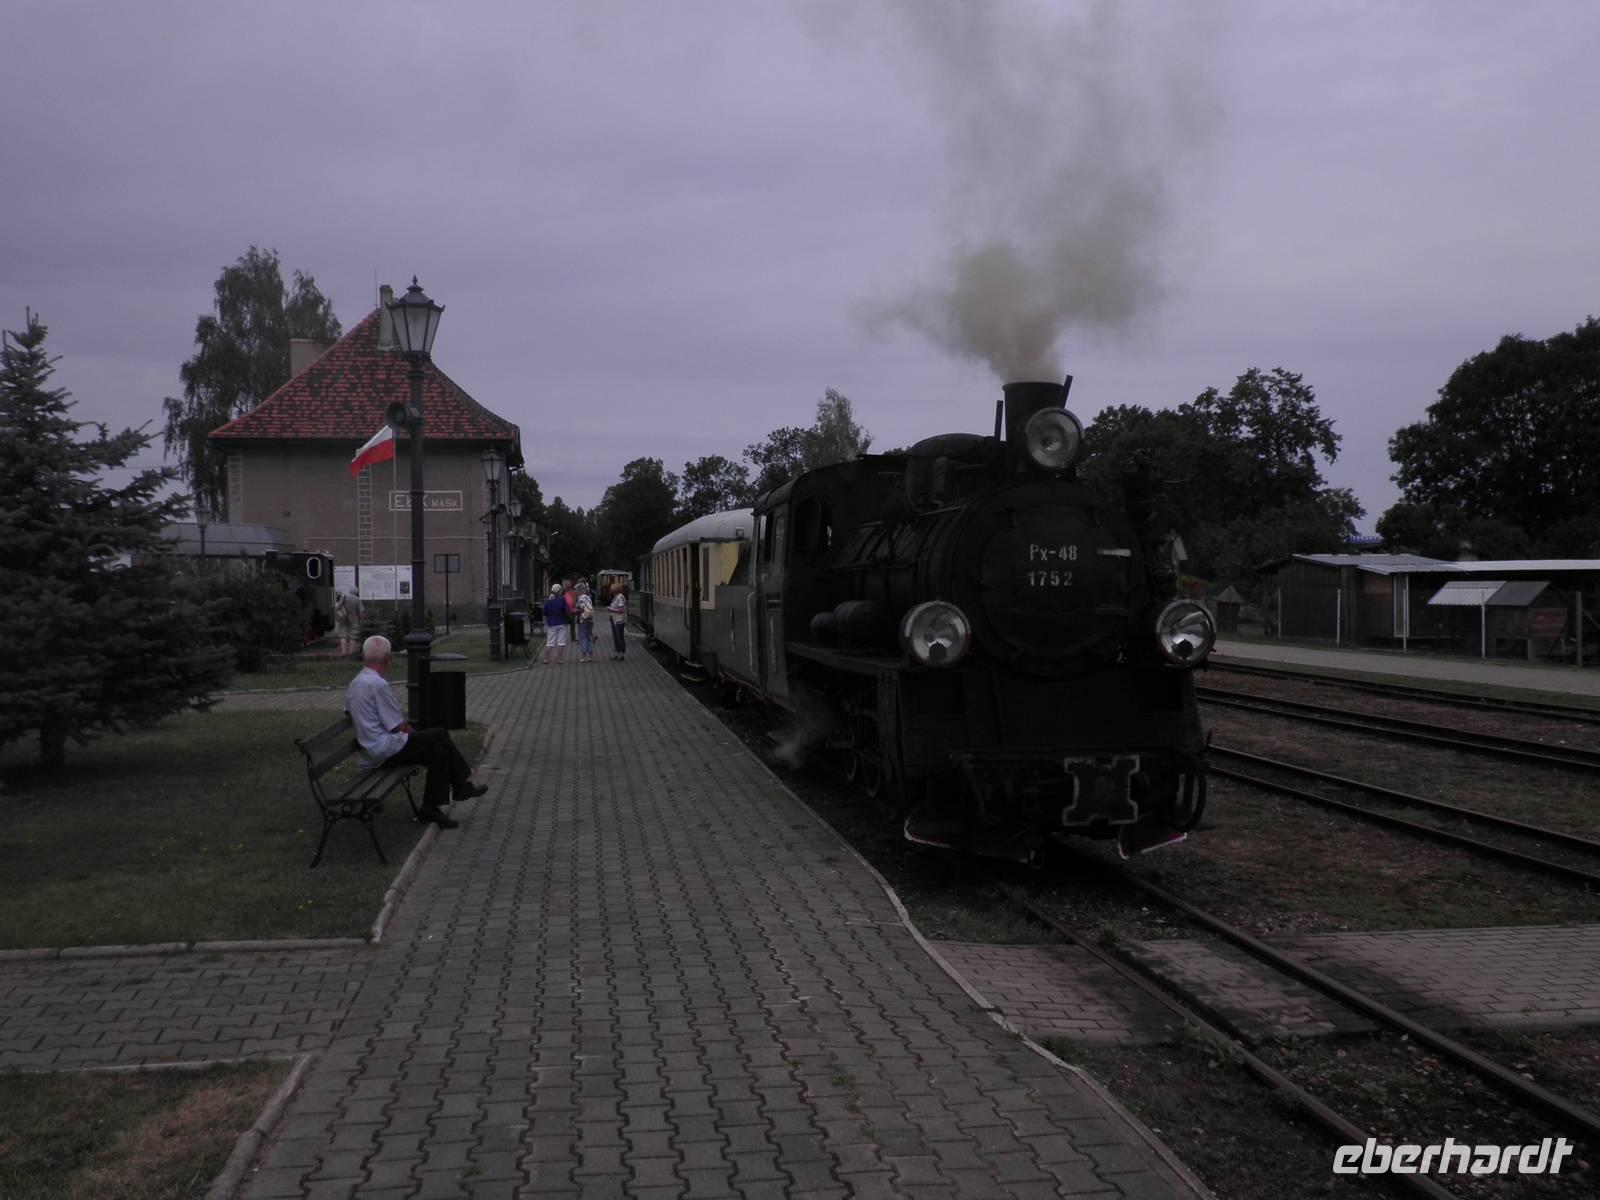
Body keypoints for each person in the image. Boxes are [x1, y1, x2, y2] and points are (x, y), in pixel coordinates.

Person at [346, 635, 487, 829]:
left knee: (440, 752)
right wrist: (417, 738)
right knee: (439, 734)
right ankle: (462, 787)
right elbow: (398, 726)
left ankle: (430, 809)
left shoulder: (356, 683)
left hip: (373, 749)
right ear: (388, 658)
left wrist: (418, 740)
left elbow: (353, 712)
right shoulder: (377, 685)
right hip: (383, 751)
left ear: (365, 657)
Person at [542, 583, 569, 664]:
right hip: (561, 622)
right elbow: (565, 610)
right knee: (561, 642)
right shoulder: (561, 599)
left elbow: (544, 612)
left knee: (549, 642)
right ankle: (559, 659)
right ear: (559, 591)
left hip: (551, 623)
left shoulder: (547, 601)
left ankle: (546, 659)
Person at [339, 588, 364, 657]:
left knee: (343, 636)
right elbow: (361, 612)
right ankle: (350, 652)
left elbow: (338, 607)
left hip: (344, 620)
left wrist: (342, 614)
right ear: (356, 592)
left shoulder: (344, 597)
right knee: (353, 637)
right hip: (354, 621)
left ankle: (343, 652)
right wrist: (361, 620)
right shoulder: (357, 599)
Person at [574, 582, 596, 662]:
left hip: (583, 620)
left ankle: (584, 656)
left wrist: (576, 610)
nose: (575, 592)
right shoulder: (588, 597)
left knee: (583, 638)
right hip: (591, 620)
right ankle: (590, 656)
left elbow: (582, 608)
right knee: (589, 637)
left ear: (580, 589)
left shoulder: (580, 598)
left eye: (576, 590)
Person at [608, 582, 628, 660]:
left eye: (612, 589)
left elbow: (621, 610)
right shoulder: (616, 597)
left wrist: (611, 609)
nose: (611, 590)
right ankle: (617, 653)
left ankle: (621, 653)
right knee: (616, 637)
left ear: (615, 589)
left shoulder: (620, 597)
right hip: (614, 619)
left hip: (619, 620)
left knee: (620, 637)